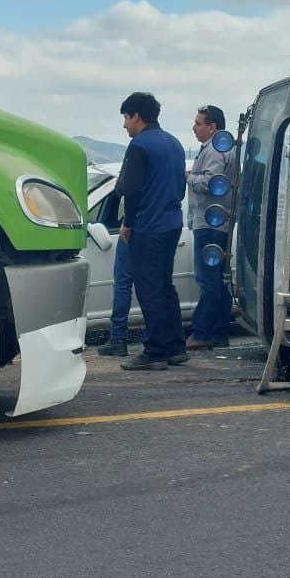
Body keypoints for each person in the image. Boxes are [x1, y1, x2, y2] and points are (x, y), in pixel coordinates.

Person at [115, 92, 188, 370]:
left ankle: (155, 351)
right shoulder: (175, 144)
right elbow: (180, 188)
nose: (124, 125)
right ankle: (175, 347)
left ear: (136, 116)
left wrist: (128, 223)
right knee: (165, 286)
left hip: (148, 226)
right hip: (171, 223)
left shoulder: (139, 146)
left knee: (148, 289)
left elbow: (131, 190)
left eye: (125, 118)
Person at [185, 105, 236, 349]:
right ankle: (219, 332)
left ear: (212, 127)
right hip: (217, 222)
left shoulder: (216, 149)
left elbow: (210, 182)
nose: (194, 128)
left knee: (208, 281)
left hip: (210, 222)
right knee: (219, 279)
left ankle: (202, 333)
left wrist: (189, 178)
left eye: (198, 123)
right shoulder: (221, 147)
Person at [95, 234, 132, 356]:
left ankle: (118, 338)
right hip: (156, 229)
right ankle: (163, 340)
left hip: (133, 231)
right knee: (154, 284)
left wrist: (127, 225)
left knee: (123, 284)